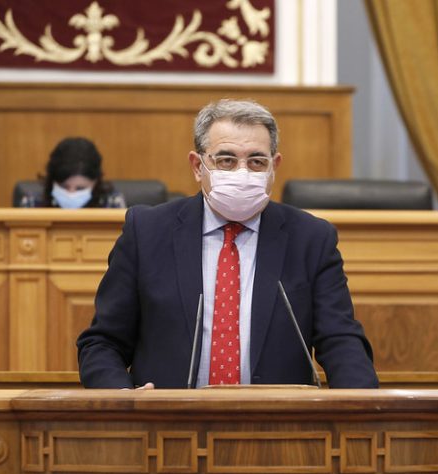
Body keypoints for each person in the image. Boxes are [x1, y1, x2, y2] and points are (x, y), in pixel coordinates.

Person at [76, 99, 379, 389]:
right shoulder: (147, 232)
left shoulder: (311, 238)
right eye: (226, 160)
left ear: (275, 166)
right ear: (198, 166)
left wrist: (364, 412)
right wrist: (125, 402)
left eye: (257, 161)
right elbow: (102, 343)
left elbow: (341, 341)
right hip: (167, 426)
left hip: (279, 429)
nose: (242, 172)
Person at [18, 137, 126, 208]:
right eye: (64, 187)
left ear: (95, 182)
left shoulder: (112, 203)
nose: (71, 194)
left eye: (80, 188)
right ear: (52, 181)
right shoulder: (32, 203)